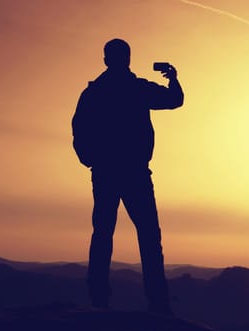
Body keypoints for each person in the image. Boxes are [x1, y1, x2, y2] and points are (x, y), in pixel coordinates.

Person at [71, 38, 184, 314]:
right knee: (147, 235)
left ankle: (99, 300)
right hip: (133, 172)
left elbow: (79, 130)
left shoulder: (94, 93)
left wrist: (91, 161)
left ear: (106, 59)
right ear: (127, 59)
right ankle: (157, 303)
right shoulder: (136, 89)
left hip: (107, 172)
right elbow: (174, 100)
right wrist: (174, 79)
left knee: (103, 234)